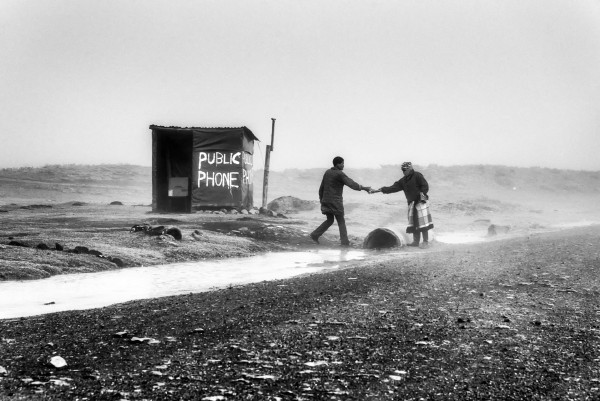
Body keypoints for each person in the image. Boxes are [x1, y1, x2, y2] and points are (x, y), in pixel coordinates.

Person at [310, 156, 371, 247]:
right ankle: (345, 243)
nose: (343, 165)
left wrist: (322, 200)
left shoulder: (327, 172)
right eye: (342, 163)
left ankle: (315, 235)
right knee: (341, 221)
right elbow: (352, 184)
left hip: (326, 200)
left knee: (330, 220)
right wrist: (364, 188)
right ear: (337, 164)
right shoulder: (339, 174)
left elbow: (321, 188)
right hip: (335, 202)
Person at [370, 162, 433, 248]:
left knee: (423, 223)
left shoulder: (417, 175)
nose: (404, 172)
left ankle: (425, 242)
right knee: (414, 223)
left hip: (420, 203)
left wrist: (422, 195)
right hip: (411, 204)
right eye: (402, 170)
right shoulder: (403, 181)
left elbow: (425, 186)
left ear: (410, 168)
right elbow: (392, 188)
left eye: (405, 170)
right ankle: (416, 242)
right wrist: (378, 190)